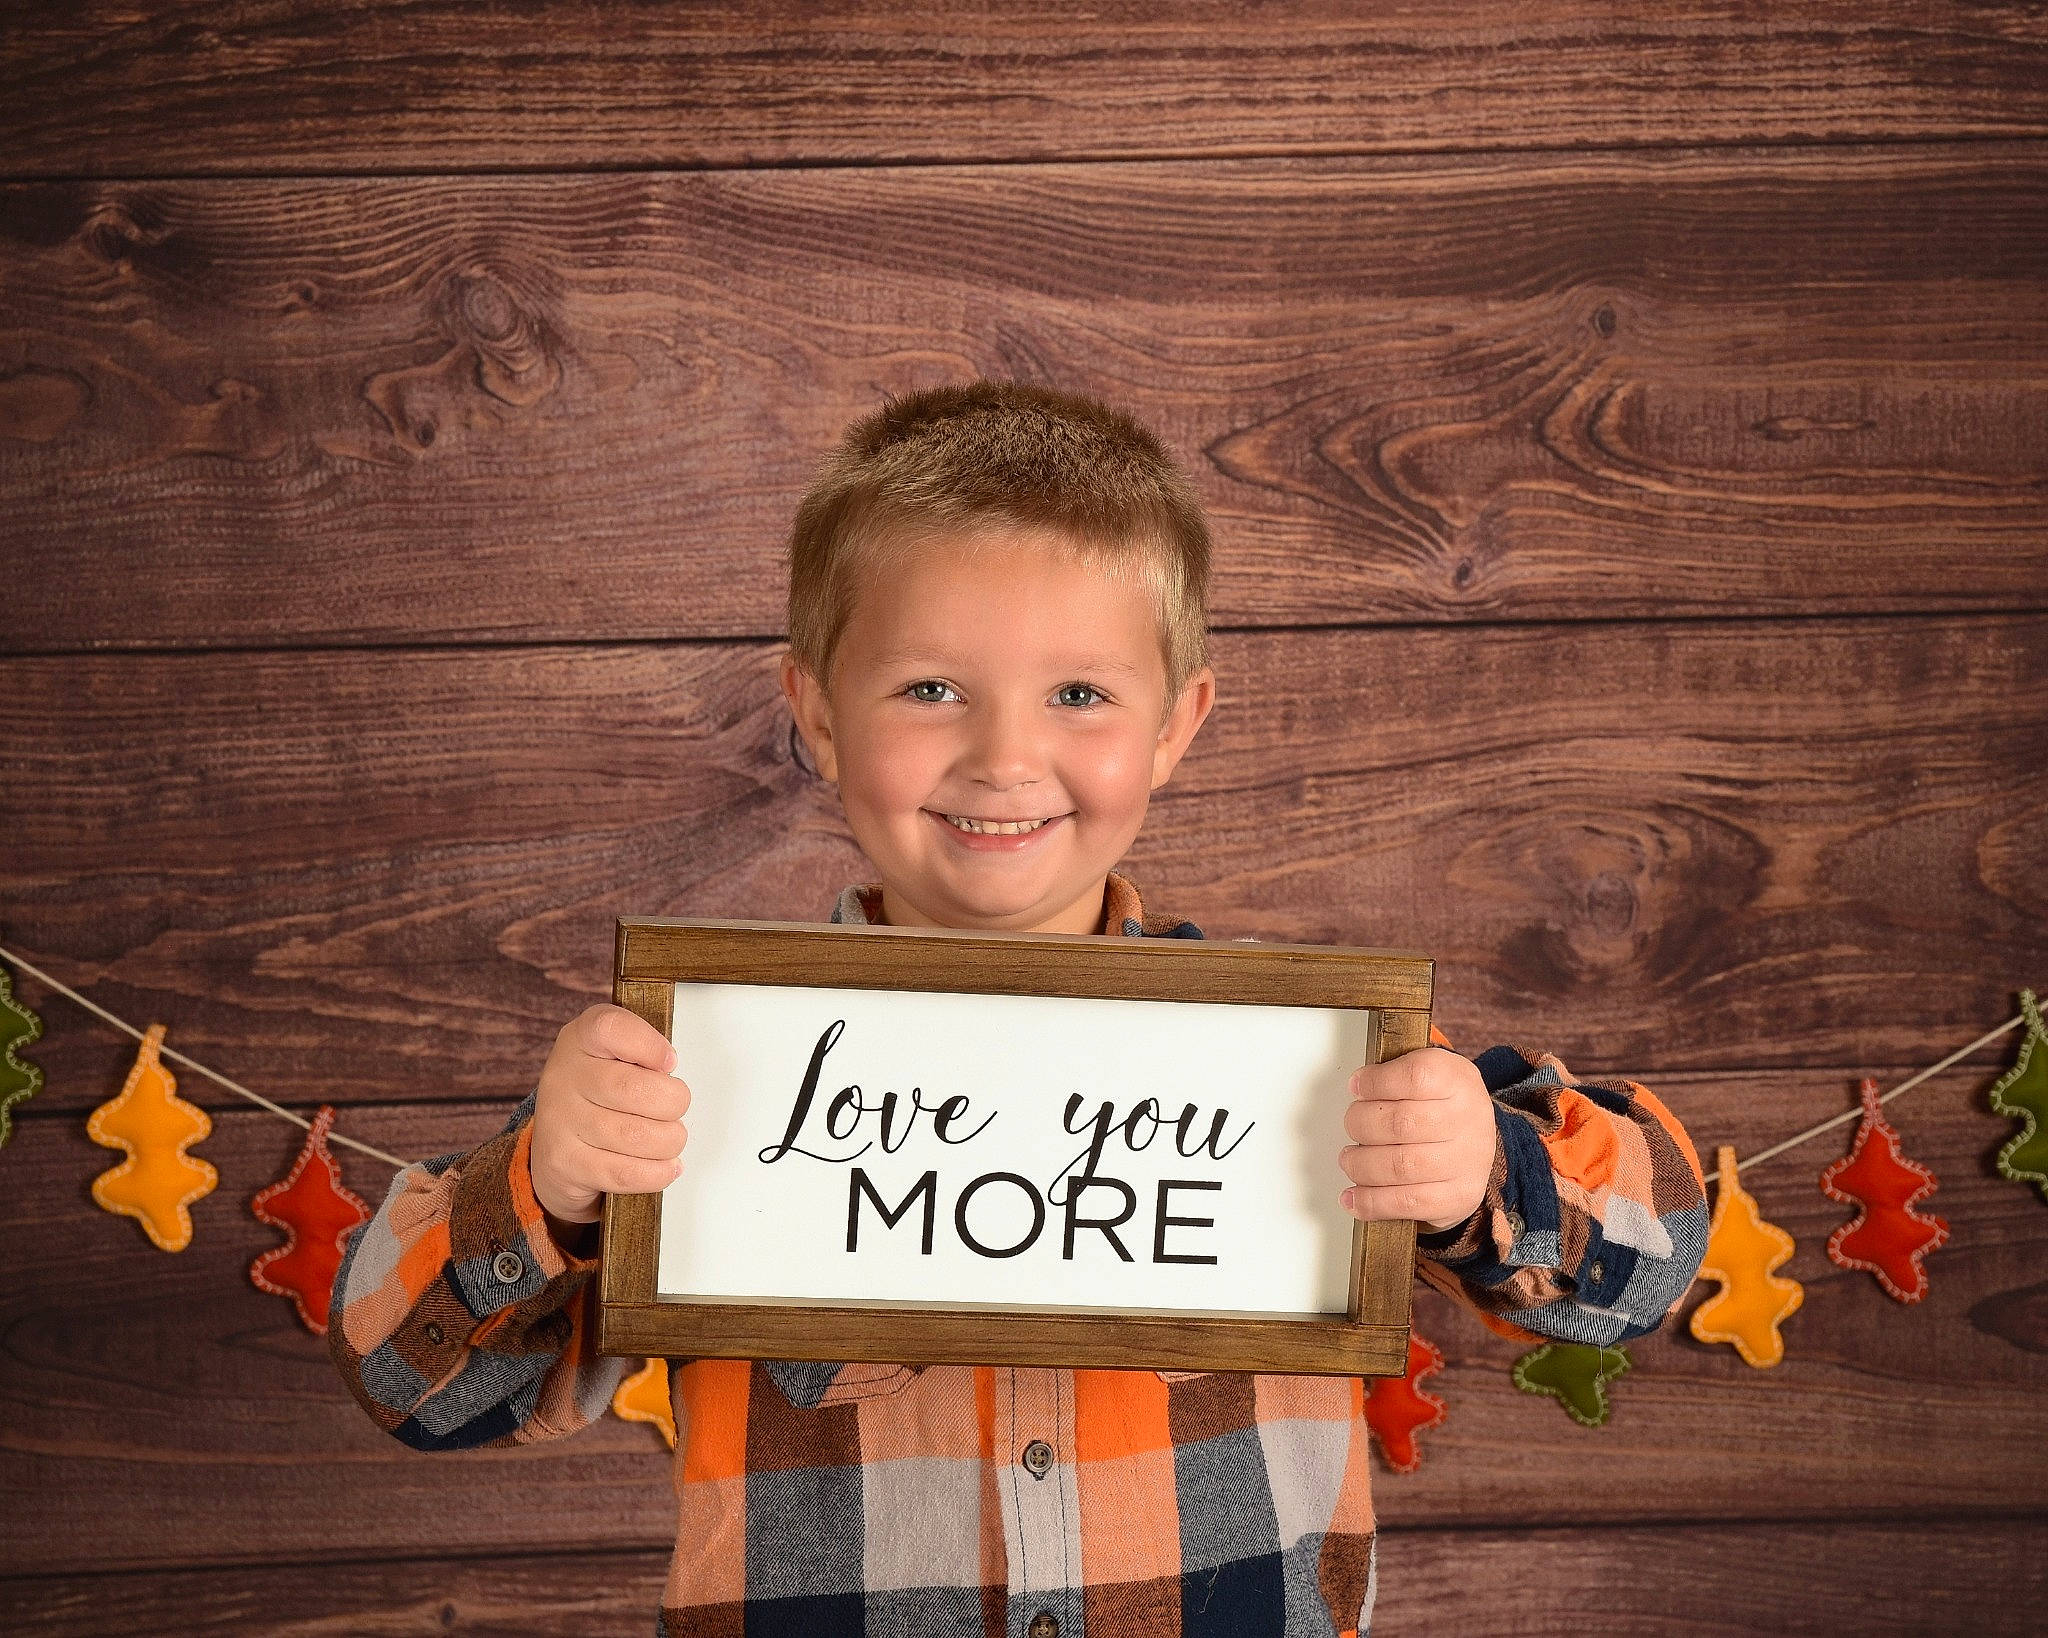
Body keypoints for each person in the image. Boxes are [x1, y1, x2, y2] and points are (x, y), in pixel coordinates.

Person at [330, 379, 1708, 1637]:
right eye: (930, 688)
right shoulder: (690, 1076)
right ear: (814, 712)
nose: (1003, 756)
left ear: (1176, 723)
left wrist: (1487, 1173)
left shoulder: (1309, 1069)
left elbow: (1649, 1259)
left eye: (1081, 693)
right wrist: (549, 1187)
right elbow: (415, 1383)